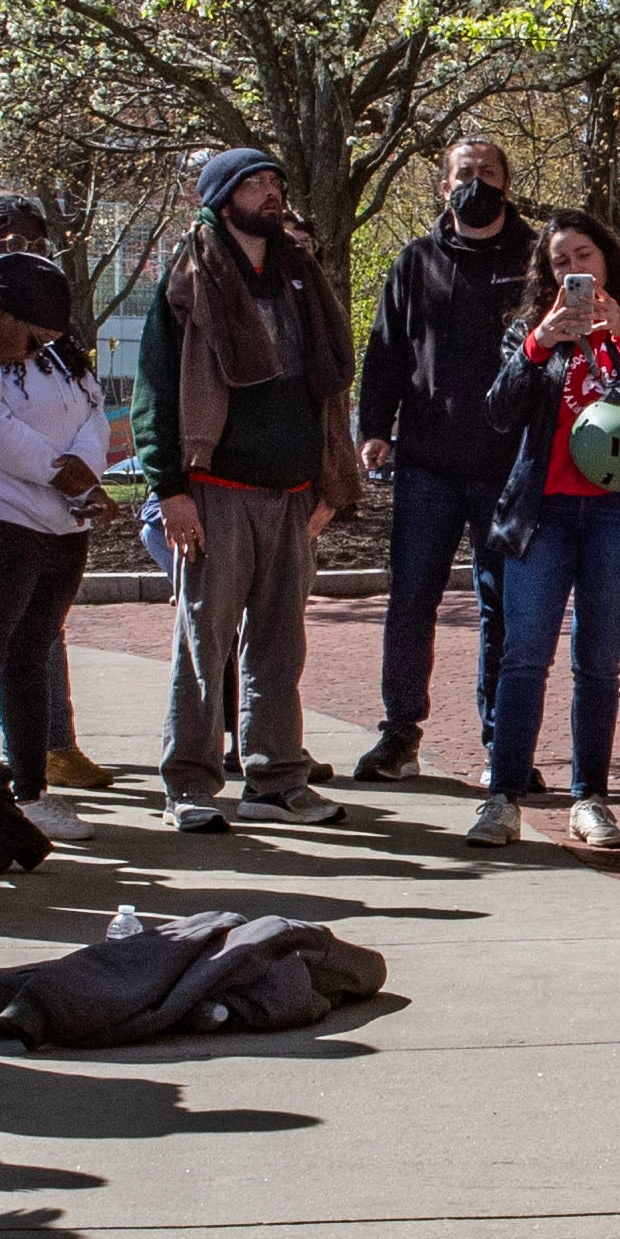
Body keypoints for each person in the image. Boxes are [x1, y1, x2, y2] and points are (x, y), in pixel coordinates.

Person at [138, 147, 361, 834]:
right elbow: (154, 384)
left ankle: (275, 778)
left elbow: (327, 386)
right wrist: (169, 488)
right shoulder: (191, 274)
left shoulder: (299, 275)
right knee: (203, 641)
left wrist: (331, 478)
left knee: (278, 644)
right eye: (256, 184)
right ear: (222, 196)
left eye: (276, 183)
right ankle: (191, 784)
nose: (271, 194)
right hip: (214, 486)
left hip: (291, 491)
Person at [475, 203, 620, 848]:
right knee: (523, 658)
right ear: (548, 273)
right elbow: (498, 412)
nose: (574, 270)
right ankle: (503, 797)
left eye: (584, 258)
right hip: (543, 511)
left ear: (608, 260)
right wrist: (540, 343)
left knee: (599, 660)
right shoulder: (530, 331)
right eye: (560, 262)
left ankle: (590, 797)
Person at [349, 134, 530, 780]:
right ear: (442, 185)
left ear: (508, 184)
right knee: (410, 600)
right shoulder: (415, 261)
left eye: (486, 172)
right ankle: (400, 736)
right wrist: (374, 427)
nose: (474, 182)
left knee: (504, 606)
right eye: (462, 173)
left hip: (509, 465)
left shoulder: (534, 261)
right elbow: (385, 351)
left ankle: (500, 742)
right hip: (427, 462)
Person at [0, 245, 115, 835]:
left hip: (63, 526)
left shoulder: (64, 358)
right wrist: (55, 468)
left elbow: (95, 413)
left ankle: (31, 791)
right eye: (33, 336)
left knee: (31, 656)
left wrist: (84, 469)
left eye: (50, 335)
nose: (39, 346)